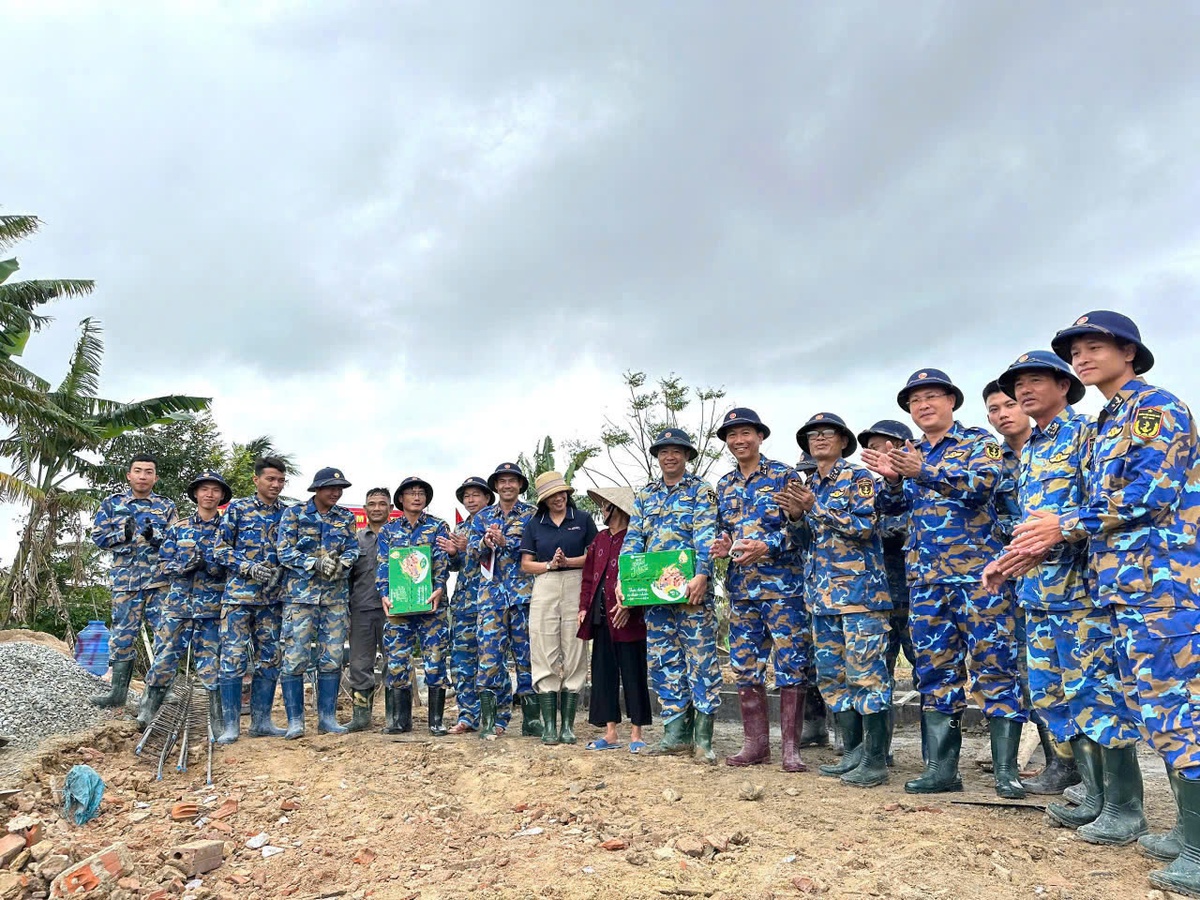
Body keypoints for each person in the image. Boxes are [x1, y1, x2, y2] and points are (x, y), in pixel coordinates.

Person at [1010, 313, 1195, 884]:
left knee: (1179, 712)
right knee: (1150, 709)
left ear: (1130, 352)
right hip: (1120, 587)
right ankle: (1187, 833)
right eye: (1076, 350)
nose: (1082, 357)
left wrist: (1063, 525)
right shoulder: (1110, 420)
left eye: (1096, 347)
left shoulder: (1153, 409)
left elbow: (1148, 493)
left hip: (1163, 585)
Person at [862, 369, 1027, 797]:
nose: (924, 405)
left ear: (952, 401)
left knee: (995, 668)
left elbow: (982, 487)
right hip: (926, 581)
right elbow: (891, 510)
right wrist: (895, 481)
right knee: (935, 674)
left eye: (933, 396)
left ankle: (1006, 772)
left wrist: (924, 470)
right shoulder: (908, 453)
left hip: (980, 578)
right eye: (915, 401)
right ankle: (942, 770)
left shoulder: (978, 443)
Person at [782, 413, 892, 788]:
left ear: (844, 441)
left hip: (860, 597)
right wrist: (796, 517)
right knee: (833, 678)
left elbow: (864, 527)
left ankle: (875, 761)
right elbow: (801, 543)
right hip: (821, 600)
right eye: (812, 435)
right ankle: (853, 753)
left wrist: (815, 508)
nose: (819, 439)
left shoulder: (859, 478)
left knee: (867, 677)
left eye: (828, 433)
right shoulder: (807, 484)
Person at [710, 409, 811, 772]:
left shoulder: (784, 476)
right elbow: (724, 530)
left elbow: (802, 531)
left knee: (791, 664)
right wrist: (723, 545)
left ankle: (790, 749)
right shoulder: (723, 485)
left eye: (746, 434)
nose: (739, 441)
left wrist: (767, 545)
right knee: (745, 665)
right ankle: (755, 744)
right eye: (732, 436)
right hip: (742, 590)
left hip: (783, 587)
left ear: (760, 436)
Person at [620, 428, 722, 763]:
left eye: (677, 451)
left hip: (692, 591)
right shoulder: (645, 495)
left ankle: (703, 738)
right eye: (664, 451)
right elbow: (634, 540)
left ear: (687, 455)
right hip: (655, 594)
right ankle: (675, 732)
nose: (670, 457)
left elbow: (706, 536)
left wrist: (703, 574)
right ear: (657, 456)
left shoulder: (700, 491)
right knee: (664, 662)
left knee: (701, 661)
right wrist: (625, 579)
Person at [139, 471, 232, 738]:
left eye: (215, 490)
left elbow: (234, 564)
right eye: (204, 489)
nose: (209, 494)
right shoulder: (178, 528)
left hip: (211, 609)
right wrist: (182, 567)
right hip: (178, 607)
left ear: (222, 496)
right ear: (195, 494)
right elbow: (163, 563)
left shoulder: (227, 528)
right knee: (165, 658)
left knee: (211, 665)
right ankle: (147, 710)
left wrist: (213, 568)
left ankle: (217, 719)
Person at [89, 454, 178, 708]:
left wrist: (156, 536)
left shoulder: (166, 506)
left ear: (155, 477)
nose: (142, 476)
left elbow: (176, 542)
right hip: (125, 582)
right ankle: (117, 694)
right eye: (137, 471)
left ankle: (164, 689)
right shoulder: (112, 504)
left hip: (158, 582)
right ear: (129, 475)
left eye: (148, 472)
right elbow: (98, 537)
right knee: (122, 636)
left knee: (166, 634)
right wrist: (122, 533)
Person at [277, 467, 359, 738]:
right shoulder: (294, 514)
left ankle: (327, 718)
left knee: (332, 657)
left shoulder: (345, 517)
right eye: (330, 488)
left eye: (340, 489)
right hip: (300, 598)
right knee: (295, 657)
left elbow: (352, 548)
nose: (336, 492)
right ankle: (295, 722)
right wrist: (314, 563)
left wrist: (344, 563)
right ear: (317, 489)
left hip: (334, 598)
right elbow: (284, 552)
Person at [213, 456, 290, 743]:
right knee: (232, 657)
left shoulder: (288, 514)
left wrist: (280, 570)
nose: (276, 485)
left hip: (272, 599)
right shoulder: (238, 510)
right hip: (239, 597)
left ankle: (262, 721)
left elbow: (292, 550)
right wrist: (248, 567)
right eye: (271, 479)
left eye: (281, 480)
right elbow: (219, 550)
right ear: (256, 479)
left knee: (270, 658)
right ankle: (231, 725)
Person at [520, 472, 597, 745]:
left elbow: (594, 556)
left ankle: (568, 726)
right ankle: (549, 726)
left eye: (562, 493)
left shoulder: (583, 519)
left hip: (577, 582)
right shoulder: (535, 524)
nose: (559, 498)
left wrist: (568, 561)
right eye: (552, 495)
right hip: (546, 582)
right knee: (543, 646)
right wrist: (551, 564)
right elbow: (526, 564)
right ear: (544, 499)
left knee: (575, 647)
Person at [856, 419, 917, 765]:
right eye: (873, 446)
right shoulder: (870, 489)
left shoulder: (925, 482)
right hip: (879, 598)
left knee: (929, 675)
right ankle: (879, 752)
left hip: (918, 596)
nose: (880, 452)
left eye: (886, 445)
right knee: (878, 675)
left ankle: (936, 759)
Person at [375, 477, 452, 735]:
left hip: (432, 605)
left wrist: (439, 586)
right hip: (399, 606)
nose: (417, 497)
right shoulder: (388, 530)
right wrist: (384, 594)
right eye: (411, 494)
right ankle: (399, 720)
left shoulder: (438, 526)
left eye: (421, 493)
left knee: (435, 660)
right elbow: (383, 564)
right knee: (397, 660)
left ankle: (435, 721)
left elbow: (441, 561)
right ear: (401, 500)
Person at [470, 462, 541, 738]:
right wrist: (485, 543)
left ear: (520, 485)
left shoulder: (533, 515)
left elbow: (537, 548)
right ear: (495, 487)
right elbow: (471, 554)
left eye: (513, 481)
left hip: (524, 597)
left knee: (527, 659)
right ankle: (492, 721)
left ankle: (532, 721)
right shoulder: (483, 516)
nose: (507, 485)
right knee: (489, 659)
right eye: (502, 482)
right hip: (490, 600)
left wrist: (506, 542)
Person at [578, 486, 651, 753]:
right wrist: (584, 607)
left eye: (605, 505)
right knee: (603, 673)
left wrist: (630, 606)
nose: (602, 510)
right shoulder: (599, 539)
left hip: (630, 619)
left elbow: (643, 577)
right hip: (602, 618)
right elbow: (588, 577)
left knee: (634, 673)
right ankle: (610, 733)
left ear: (616, 509)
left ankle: (636, 733)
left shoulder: (636, 539)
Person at [439, 476, 494, 734]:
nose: (471, 500)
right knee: (461, 661)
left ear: (487, 498)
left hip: (492, 601)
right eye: (467, 496)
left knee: (492, 660)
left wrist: (470, 546)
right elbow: (452, 567)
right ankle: (467, 715)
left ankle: (496, 718)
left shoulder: (495, 523)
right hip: (463, 603)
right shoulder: (459, 529)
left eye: (476, 495)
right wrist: (453, 552)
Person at [343, 487, 392, 732]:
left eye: (382, 504)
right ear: (365, 509)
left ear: (391, 509)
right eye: (372, 504)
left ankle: (395, 718)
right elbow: (346, 579)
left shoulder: (398, 538)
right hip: (361, 609)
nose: (376, 508)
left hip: (395, 611)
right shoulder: (355, 541)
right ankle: (361, 717)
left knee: (394, 662)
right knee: (359, 663)